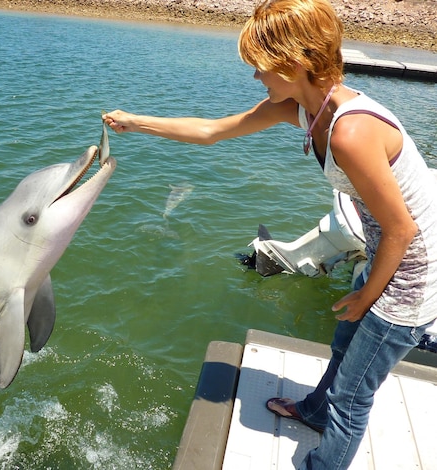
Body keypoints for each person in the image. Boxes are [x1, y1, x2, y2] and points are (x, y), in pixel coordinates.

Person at [102, 0, 437, 468]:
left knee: (353, 397)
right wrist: (136, 122)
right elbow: (212, 131)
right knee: (343, 346)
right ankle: (315, 412)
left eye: (260, 68)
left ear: (296, 63)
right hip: (386, 253)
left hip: (411, 277)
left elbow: (404, 229)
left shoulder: (351, 133)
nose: (256, 78)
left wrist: (367, 297)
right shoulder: (305, 108)